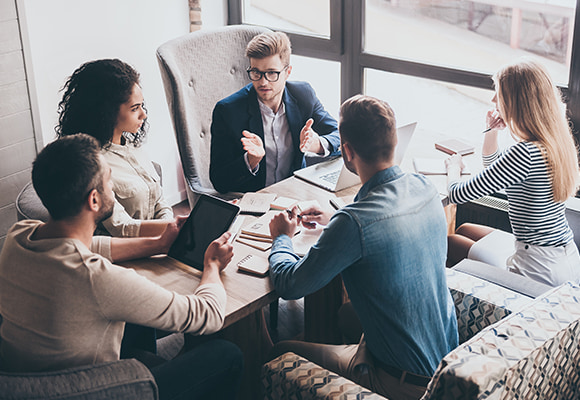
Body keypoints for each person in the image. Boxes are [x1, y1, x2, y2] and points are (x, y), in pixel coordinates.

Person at [0, 134, 243, 400]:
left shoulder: (19, 235)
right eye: (109, 181)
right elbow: (205, 316)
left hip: (24, 381)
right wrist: (212, 265)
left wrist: (159, 244)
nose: (113, 186)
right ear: (94, 200)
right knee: (226, 354)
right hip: (89, 390)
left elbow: (91, 246)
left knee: (134, 321)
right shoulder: (95, 277)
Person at [267, 95, 458, 400]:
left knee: (279, 352)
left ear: (346, 152)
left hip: (403, 385)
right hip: (446, 368)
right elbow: (379, 220)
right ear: (394, 142)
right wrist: (336, 218)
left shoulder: (353, 224)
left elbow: (290, 285)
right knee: (344, 316)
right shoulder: (424, 187)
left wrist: (282, 237)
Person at [445, 59, 580, 287]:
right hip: (563, 257)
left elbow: (457, 194)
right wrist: (492, 130)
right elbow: (494, 168)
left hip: (536, 268)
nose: (493, 99)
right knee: (465, 228)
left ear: (516, 101)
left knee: (450, 242)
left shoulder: (525, 153)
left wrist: (453, 168)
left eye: (498, 93)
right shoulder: (555, 142)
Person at [209, 31, 341, 193]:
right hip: (253, 200)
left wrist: (318, 144)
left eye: (271, 73)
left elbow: (339, 134)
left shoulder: (304, 95)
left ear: (288, 72)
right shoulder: (228, 111)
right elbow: (219, 180)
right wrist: (250, 160)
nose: (263, 81)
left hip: (295, 195)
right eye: (256, 72)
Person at [56, 59, 173, 237]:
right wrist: (174, 228)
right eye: (135, 108)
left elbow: (159, 200)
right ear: (107, 113)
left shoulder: (131, 145)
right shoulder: (93, 165)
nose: (144, 114)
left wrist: (171, 227)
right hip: (129, 250)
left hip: (161, 239)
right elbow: (121, 227)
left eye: (142, 105)